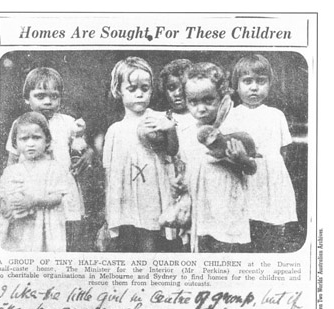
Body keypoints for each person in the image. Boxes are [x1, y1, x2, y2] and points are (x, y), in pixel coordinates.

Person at [5, 67, 93, 251]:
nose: (48, 102)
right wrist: (10, 191)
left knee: (67, 234)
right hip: (33, 189)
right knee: (33, 235)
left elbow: (82, 146)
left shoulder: (68, 122)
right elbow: (12, 160)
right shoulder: (21, 124)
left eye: (54, 97)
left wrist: (88, 154)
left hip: (63, 189)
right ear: (27, 98)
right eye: (41, 96)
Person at [222, 54, 298, 252]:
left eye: (261, 81)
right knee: (247, 221)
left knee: (272, 221)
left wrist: (277, 170)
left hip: (272, 175)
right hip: (245, 173)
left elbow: (285, 149)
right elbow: (227, 147)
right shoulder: (234, 114)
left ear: (269, 84)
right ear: (236, 86)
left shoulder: (276, 115)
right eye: (247, 81)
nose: (254, 87)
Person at [103, 56, 178, 252]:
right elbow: (109, 172)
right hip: (125, 196)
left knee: (149, 239)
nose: (139, 94)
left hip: (152, 194)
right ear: (118, 90)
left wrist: (170, 130)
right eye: (132, 89)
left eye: (144, 89)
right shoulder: (115, 130)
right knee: (127, 241)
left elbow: (172, 151)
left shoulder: (158, 120)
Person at [181, 62, 256, 253]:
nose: (201, 108)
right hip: (200, 205)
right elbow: (185, 165)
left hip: (226, 204)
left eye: (208, 100)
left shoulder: (232, 127)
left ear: (222, 97)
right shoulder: (188, 131)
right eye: (193, 102)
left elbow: (252, 167)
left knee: (226, 248)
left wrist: (241, 159)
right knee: (202, 250)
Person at [0, 112, 68, 252]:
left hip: (44, 226)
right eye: (24, 139)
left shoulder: (53, 168)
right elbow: (0, 199)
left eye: (36, 138)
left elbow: (58, 197)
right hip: (17, 228)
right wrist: (5, 207)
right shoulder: (11, 171)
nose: (30, 144)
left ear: (47, 140)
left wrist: (34, 201)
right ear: (15, 143)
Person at [158, 59, 195, 251]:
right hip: (173, 180)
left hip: (195, 179)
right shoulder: (164, 119)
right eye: (172, 87)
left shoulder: (201, 116)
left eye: (184, 87)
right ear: (164, 90)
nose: (178, 93)